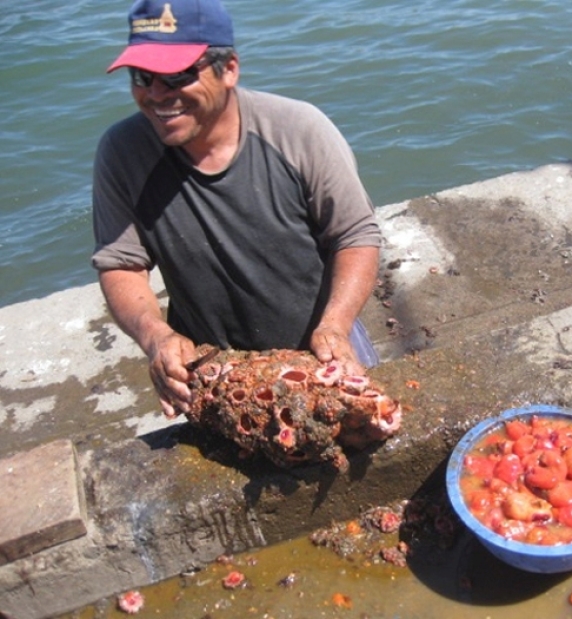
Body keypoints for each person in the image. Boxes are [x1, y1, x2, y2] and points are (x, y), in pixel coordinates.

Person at [92, 0, 382, 419]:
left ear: (228, 69)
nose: (157, 94)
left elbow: (355, 235)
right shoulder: (122, 152)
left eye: (177, 75)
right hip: (214, 375)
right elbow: (121, 262)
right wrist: (156, 336)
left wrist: (335, 325)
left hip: (322, 352)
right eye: (143, 77)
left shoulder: (300, 130)